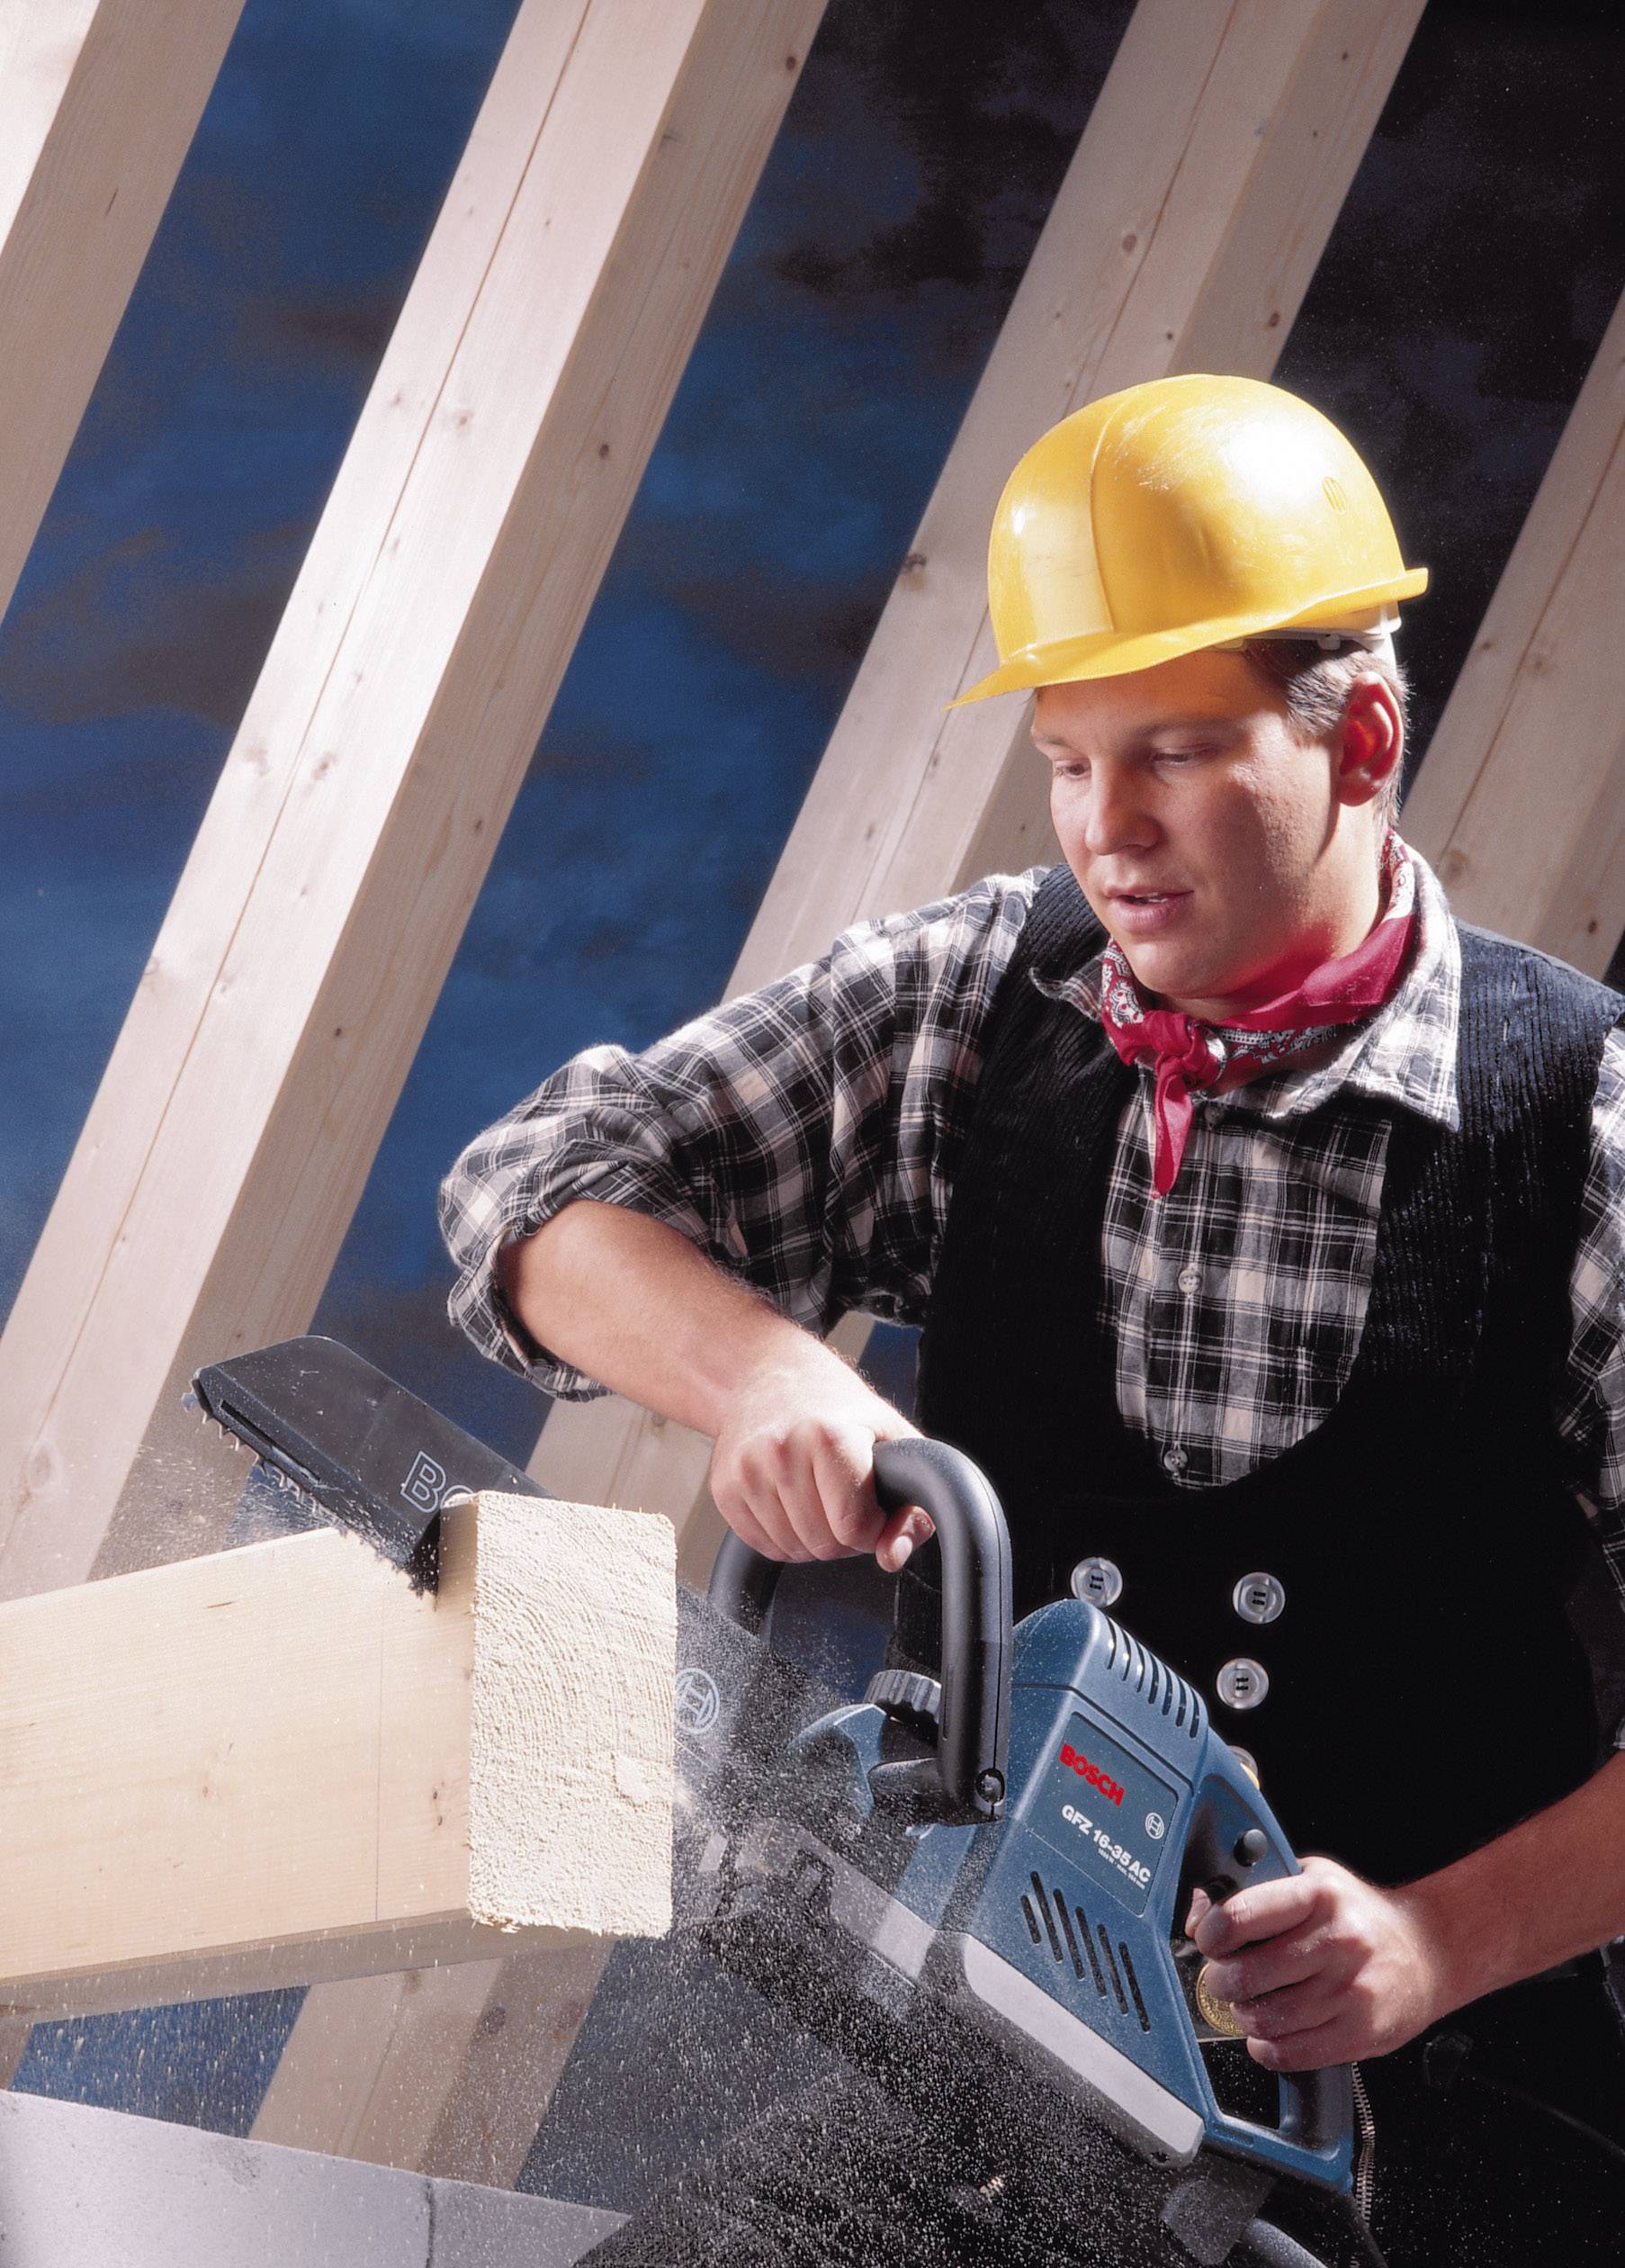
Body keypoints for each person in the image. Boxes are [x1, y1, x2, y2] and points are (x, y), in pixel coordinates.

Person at [439, 375, 1625, 2264]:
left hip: (1453, 2136)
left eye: (1174, 751)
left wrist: (1429, 1945)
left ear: (1366, 734)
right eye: (1070, 761)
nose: (1108, 829)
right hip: (1006, 2089)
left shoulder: (1580, 1124)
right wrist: (762, 1365)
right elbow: (534, 1189)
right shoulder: (979, 1011)